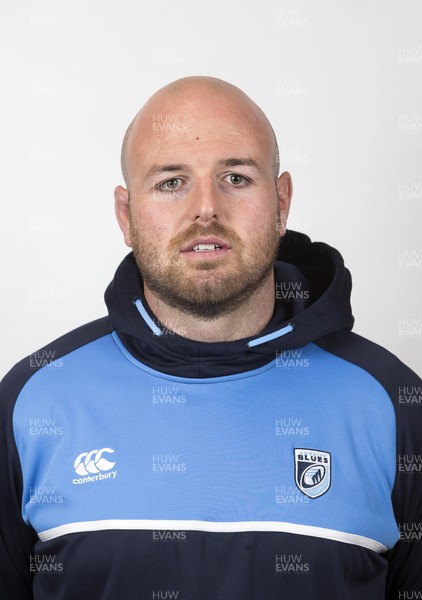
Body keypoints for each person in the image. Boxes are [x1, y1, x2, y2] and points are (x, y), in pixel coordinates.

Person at [0, 76, 421, 600]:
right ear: (126, 216)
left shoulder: (393, 402)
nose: (206, 209)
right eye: (171, 182)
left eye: (237, 178)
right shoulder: (34, 399)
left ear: (282, 201)